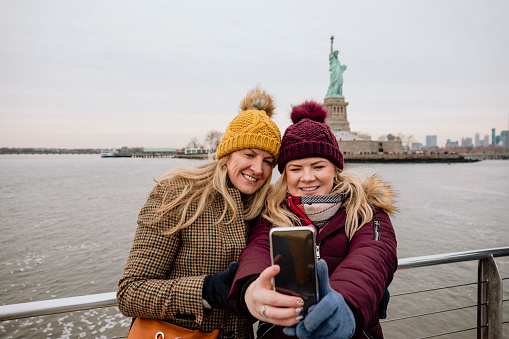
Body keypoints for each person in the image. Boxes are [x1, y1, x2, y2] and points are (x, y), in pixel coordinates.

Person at [117, 88, 282, 339]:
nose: (258, 168)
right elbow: (130, 292)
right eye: (249, 154)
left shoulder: (269, 207)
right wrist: (207, 291)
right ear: (227, 154)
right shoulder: (179, 194)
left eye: (268, 161)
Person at [228, 101, 397, 338]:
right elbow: (256, 251)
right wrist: (251, 289)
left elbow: (372, 261)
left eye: (318, 166)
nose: (307, 178)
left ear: (335, 169)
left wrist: (344, 307)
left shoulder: (368, 213)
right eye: (296, 169)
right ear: (285, 175)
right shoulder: (271, 215)